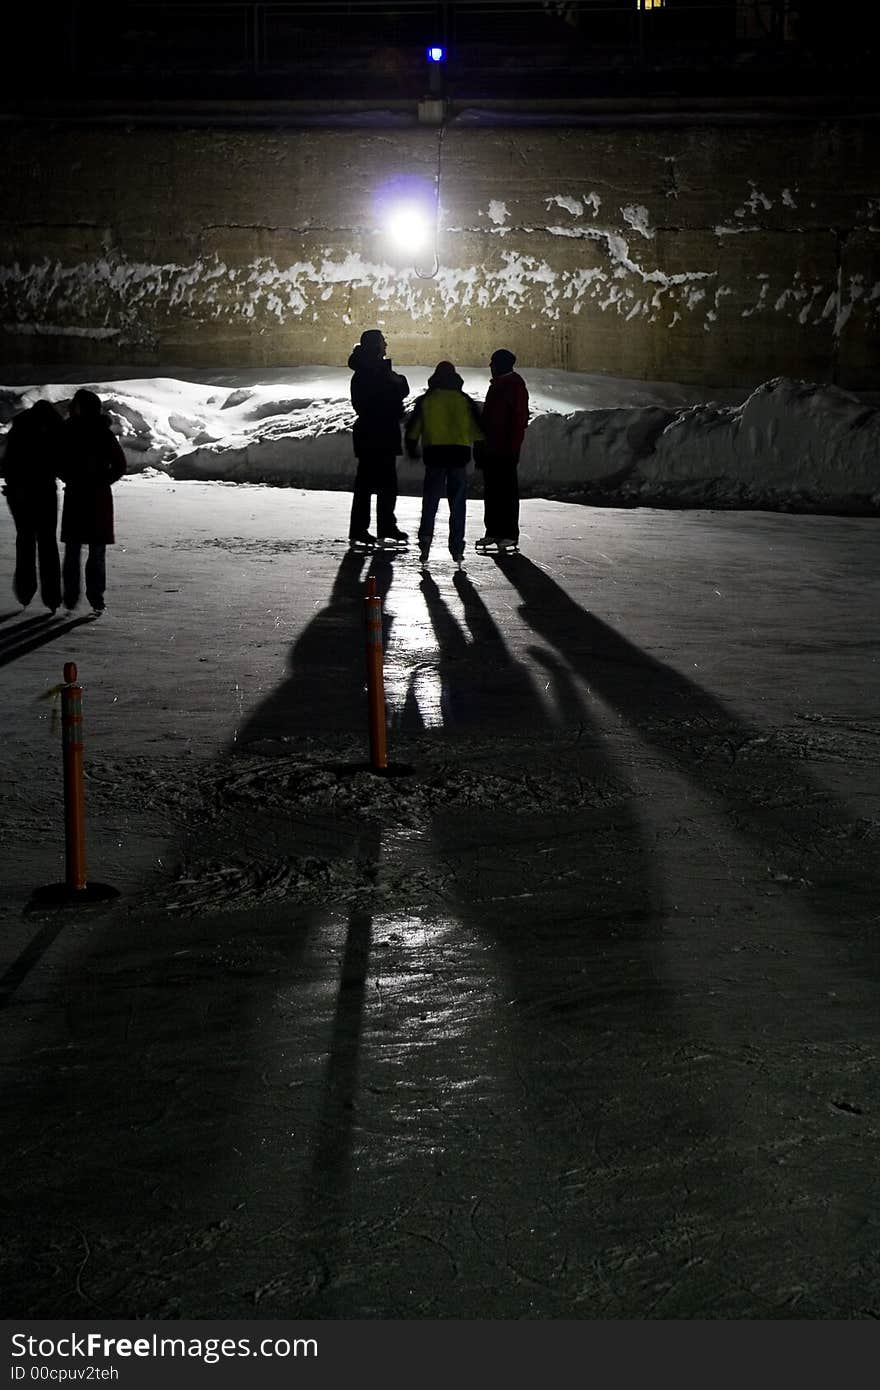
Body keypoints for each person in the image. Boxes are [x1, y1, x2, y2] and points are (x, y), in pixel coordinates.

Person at [405, 361, 484, 568]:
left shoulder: (427, 400)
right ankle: (457, 548)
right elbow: (478, 431)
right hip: (459, 455)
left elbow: (413, 428)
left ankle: (425, 541)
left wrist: (412, 448)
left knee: (430, 501)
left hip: (435, 455)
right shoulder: (465, 400)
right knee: (457, 503)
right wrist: (480, 456)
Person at [59, 388, 127, 615]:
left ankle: (71, 595)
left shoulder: (69, 431)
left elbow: (57, 460)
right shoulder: (102, 433)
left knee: (74, 550)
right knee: (95, 551)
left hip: (79, 496)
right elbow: (119, 465)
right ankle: (95, 597)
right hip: (97, 497)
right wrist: (103, 480)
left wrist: (70, 477)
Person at [347, 329, 410, 546]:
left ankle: (377, 527)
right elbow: (396, 392)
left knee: (380, 484)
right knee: (374, 485)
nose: (386, 345)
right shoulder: (370, 374)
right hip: (377, 433)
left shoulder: (373, 373)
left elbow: (401, 389)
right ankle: (366, 528)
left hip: (375, 433)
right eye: (383, 342)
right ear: (375, 346)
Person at [1, 399, 65, 613]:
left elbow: (8, 462)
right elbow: (60, 462)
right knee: (47, 543)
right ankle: (52, 597)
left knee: (25, 539)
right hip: (45, 491)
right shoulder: (55, 428)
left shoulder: (20, 427)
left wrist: (12, 486)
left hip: (20, 493)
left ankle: (25, 591)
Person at [474, 348, 530, 553]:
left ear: (501, 365)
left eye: (493, 362)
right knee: (493, 492)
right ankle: (494, 531)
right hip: (493, 449)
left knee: (505, 493)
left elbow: (518, 420)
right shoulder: (500, 385)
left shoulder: (514, 386)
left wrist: (512, 449)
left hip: (505, 450)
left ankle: (508, 534)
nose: (490, 366)